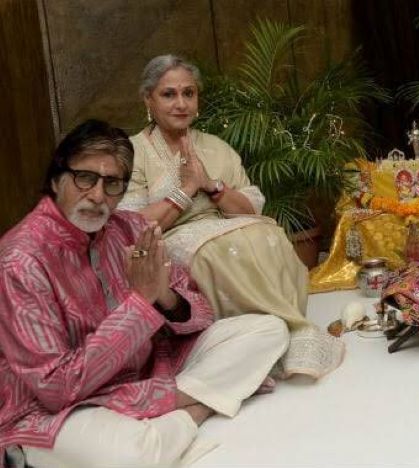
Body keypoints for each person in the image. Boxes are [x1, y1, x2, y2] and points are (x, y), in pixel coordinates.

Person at [0, 120, 287, 467]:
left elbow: (203, 313)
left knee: (268, 330)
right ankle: (198, 408)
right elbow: (55, 389)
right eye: (85, 178)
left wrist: (164, 295)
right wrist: (139, 303)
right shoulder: (20, 260)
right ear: (56, 179)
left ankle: (164, 415)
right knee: (130, 456)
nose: (97, 195)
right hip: (56, 409)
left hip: (148, 372)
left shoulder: (129, 228)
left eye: (112, 183)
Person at [119, 55, 343, 379]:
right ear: (148, 100)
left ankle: (285, 330)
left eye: (189, 93)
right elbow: (132, 226)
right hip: (171, 238)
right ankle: (272, 337)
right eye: (169, 94)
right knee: (220, 252)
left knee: (269, 234)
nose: (181, 103)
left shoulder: (216, 147)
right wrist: (186, 190)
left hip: (228, 224)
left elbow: (252, 208)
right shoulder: (133, 152)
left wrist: (212, 185)